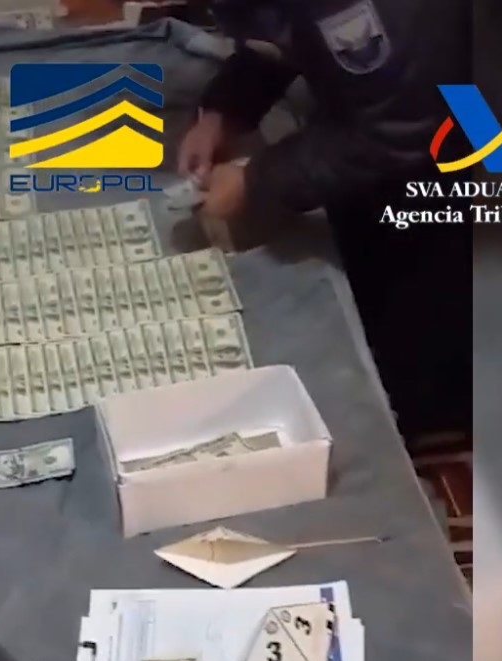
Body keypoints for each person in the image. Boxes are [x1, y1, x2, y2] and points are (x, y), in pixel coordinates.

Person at [180, 0, 472, 452]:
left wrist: (258, 181)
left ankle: (434, 424)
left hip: (471, 114)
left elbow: (401, 128)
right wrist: (226, 110)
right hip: (408, 95)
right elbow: (284, 33)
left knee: (428, 280)